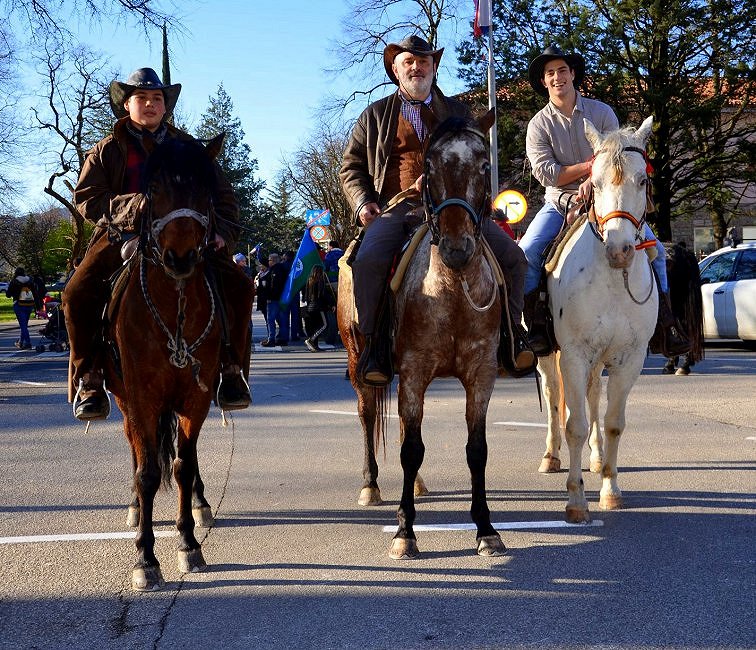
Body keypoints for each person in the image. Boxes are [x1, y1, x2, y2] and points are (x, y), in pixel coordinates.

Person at [340, 35, 534, 386]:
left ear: (433, 68)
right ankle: (374, 349)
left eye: (424, 61)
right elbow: (351, 167)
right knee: (368, 262)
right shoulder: (375, 115)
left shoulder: (459, 112)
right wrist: (363, 202)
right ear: (396, 70)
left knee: (514, 258)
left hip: (455, 207)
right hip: (398, 207)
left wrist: (479, 199)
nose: (417, 67)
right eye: (409, 62)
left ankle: (510, 339)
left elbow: (477, 160)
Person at [63, 67, 253, 421]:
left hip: (188, 235)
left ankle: (231, 369)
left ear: (166, 106)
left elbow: (225, 199)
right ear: (127, 105)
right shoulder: (106, 150)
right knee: (76, 292)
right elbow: (87, 198)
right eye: (141, 98)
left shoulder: (189, 149)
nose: (149, 104)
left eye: (156, 99)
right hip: (121, 233)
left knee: (240, 286)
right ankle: (89, 375)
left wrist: (222, 235)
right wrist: (136, 210)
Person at [521, 44, 689, 357]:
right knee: (527, 254)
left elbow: (622, 160)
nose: (557, 77)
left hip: (608, 201)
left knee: (655, 251)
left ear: (572, 74)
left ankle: (667, 322)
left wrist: (594, 182)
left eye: (562, 70)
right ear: (544, 81)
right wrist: (591, 168)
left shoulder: (602, 113)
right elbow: (546, 173)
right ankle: (535, 327)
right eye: (550, 73)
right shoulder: (538, 125)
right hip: (559, 204)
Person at [5, 267, 43, 350]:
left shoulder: (14, 282)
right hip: (29, 304)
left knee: (23, 326)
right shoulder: (30, 281)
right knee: (24, 325)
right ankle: (21, 342)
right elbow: (35, 294)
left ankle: (28, 342)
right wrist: (38, 306)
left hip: (18, 304)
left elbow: (8, 294)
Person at [303, 265, 336, 352]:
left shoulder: (309, 281)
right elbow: (323, 295)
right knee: (325, 325)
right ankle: (311, 340)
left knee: (315, 327)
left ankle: (315, 345)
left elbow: (305, 295)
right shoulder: (320, 281)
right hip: (319, 307)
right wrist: (332, 303)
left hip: (310, 307)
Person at [262, 253, 289, 346]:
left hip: (274, 299)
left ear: (273, 261)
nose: (268, 262)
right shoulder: (283, 269)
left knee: (271, 320)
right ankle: (283, 338)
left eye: (269, 260)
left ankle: (271, 339)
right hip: (282, 298)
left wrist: (269, 297)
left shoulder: (275, 270)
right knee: (282, 320)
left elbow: (274, 285)